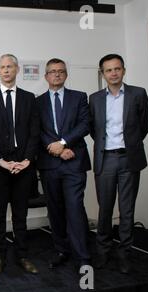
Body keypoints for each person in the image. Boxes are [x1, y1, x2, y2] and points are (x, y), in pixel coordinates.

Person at [0, 54, 40, 276]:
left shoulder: (29, 98)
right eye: (2, 67)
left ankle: (22, 256)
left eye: (10, 67)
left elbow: (35, 132)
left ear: (17, 69)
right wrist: (1, 161)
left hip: (23, 166)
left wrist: (26, 160)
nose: (6, 70)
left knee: (20, 215)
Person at [89, 54, 148, 274]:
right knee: (105, 209)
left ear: (123, 71)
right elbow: (94, 131)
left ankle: (125, 254)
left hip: (129, 159)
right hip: (105, 159)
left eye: (117, 69)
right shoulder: (94, 98)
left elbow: (143, 127)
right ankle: (103, 252)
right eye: (108, 70)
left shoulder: (138, 94)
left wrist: (129, 146)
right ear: (102, 74)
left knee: (127, 210)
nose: (113, 73)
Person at [36, 58, 91, 272]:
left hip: (74, 162)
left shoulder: (79, 97)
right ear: (46, 76)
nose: (56, 75)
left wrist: (63, 143)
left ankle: (83, 256)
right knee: (56, 210)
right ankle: (61, 250)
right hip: (50, 163)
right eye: (52, 71)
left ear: (66, 75)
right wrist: (55, 148)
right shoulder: (37, 102)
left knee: (75, 208)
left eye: (60, 71)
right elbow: (37, 130)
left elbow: (84, 125)